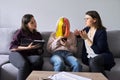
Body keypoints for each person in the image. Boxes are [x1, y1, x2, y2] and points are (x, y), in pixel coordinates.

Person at [74, 10, 115, 77]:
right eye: (85, 19)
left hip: (102, 56)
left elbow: (98, 51)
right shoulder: (87, 29)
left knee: (94, 62)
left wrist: (87, 39)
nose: (85, 20)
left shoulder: (101, 32)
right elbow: (81, 35)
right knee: (93, 62)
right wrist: (77, 34)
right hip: (89, 57)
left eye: (87, 19)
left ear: (94, 20)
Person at [9, 14, 44, 80]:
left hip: (28, 56)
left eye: (35, 21)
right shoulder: (20, 32)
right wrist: (27, 48)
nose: (35, 23)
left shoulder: (38, 35)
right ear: (26, 24)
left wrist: (39, 49)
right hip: (16, 54)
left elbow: (39, 51)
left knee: (39, 59)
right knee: (24, 64)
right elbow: (12, 47)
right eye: (32, 22)